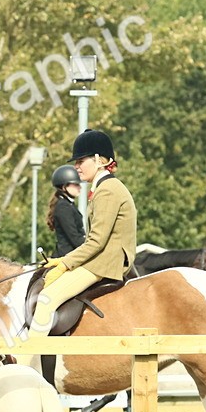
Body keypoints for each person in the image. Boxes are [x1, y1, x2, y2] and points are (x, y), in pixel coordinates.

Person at [34, 130, 137, 332]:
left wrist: (65, 263)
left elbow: (96, 242)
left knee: (46, 299)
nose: (76, 167)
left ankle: (24, 360)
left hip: (104, 264)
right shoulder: (105, 187)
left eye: (81, 161)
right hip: (102, 260)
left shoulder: (108, 189)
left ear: (99, 160)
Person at [46, 164, 85, 258]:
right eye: (76, 184)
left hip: (73, 254)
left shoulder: (69, 204)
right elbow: (75, 238)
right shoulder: (63, 207)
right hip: (67, 256)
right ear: (64, 187)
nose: (80, 187)